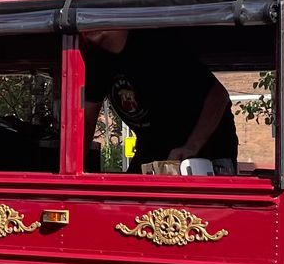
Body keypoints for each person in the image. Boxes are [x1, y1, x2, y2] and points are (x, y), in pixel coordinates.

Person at [81, 28, 237, 171]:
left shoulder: (157, 44)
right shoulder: (98, 61)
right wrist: (77, 165)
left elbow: (218, 95)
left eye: (94, 15)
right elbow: (87, 119)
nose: (86, 24)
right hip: (154, 145)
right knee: (129, 196)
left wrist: (192, 146)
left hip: (205, 146)